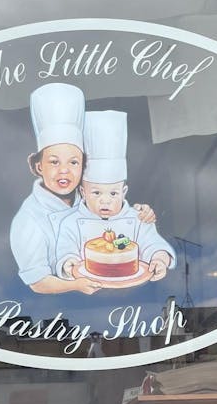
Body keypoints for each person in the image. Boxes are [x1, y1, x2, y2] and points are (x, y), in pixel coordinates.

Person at [10, 84, 155, 295]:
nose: (64, 171)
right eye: (54, 162)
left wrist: (141, 214)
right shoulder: (28, 220)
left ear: (83, 166)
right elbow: (37, 282)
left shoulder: (90, 200)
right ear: (39, 166)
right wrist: (74, 285)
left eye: (74, 162)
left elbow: (120, 226)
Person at [56, 111, 176, 284]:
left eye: (113, 193)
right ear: (83, 192)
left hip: (137, 292)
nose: (105, 200)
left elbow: (153, 244)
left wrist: (160, 259)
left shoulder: (138, 219)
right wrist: (68, 263)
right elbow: (64, 250)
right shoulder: (70, 223)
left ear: (124, 192)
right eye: (96, 193)